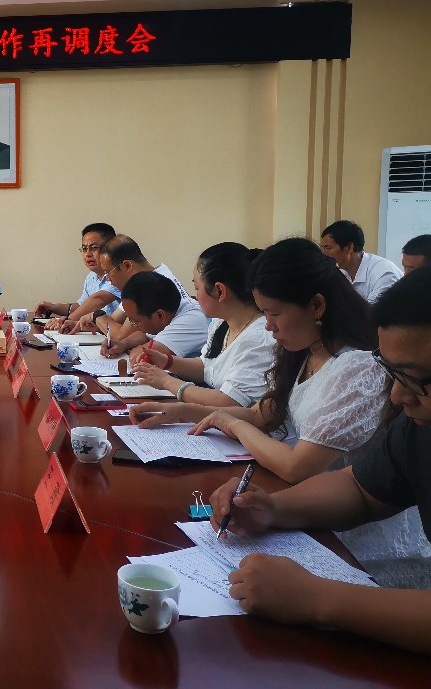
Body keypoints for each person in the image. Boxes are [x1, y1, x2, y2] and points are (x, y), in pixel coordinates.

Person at [207, 268, 431, 651]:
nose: (397, 396)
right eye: (393, 373)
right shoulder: (418, 428)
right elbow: (361, 488)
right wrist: (273, 508)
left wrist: (316, 598)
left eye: (412, 378)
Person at [132, 238, 390, 486]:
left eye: (274, 313)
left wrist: (233, 424)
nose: (268, 325)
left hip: (334, 509)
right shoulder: (304, 351)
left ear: (316, 305)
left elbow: (295, 467)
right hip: (298, 491)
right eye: (264, 313)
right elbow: (258, 415)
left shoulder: (357, 368)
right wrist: (180, 412)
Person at [133, 242, 275, 405]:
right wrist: (166, 361)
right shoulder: (221, 322)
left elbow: (230, 401)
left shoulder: (260, 338)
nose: (196, 296)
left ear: (219, 291)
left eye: (196, 287)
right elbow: (207, 367)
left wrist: (167, 382)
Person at [61, 234, 195, 336]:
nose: (108, 279)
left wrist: (96, 316)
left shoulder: (153, 286)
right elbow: (113, 321)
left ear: (126, 266)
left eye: (108, 272)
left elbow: (120, 335)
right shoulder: (146, 280)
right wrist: (83, 323)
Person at [36, 223, 121, 330]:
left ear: (110, 248)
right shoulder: (91, 276)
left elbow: (98, 300)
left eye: (94, 248)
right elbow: (83, 306)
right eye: (84, 249)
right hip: (99, 332)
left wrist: (66, 321)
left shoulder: (119, 273)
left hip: (117, 333)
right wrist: (54, 307)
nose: (88, 254)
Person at [116, 271, 209, 364]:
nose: (134, 325)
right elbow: (146, 335)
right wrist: (123, 344)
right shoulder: (172, 308)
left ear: (159, 315)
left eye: (136, 321)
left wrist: (135, 350)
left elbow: (137, 358)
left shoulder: (190, 321)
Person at [320, 220, 401, 303]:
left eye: (328, 248)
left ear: (349, 247)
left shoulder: (385, 274)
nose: (324, 254)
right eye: (323, 248)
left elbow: (372, 310)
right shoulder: (339, 270)